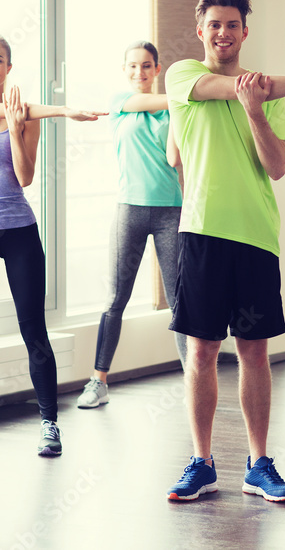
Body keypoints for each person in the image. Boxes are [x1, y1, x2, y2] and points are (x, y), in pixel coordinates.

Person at [164, 0, 285, 502]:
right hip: (202, 232)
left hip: (256, 237)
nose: (223, 33)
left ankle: (258, 463)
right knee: (202, 350)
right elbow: (232, 92)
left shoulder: (269, 99)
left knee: (254, 351)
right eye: (215, 25)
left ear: (245, 32)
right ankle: (201, 462)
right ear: (201, 30)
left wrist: (255, 111)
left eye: (233, 25)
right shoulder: (182, 76)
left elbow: (275, 166)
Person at [0, 34, 104, 456]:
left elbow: (25, 177)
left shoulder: (29, 118)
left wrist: (16, 126)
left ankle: (49, 425)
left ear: (10, 67)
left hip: (19, 232)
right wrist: (62, 109)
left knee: (34, 330)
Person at [76, 41, 188, 409]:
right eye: (133, 66)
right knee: (116, 298)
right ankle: (98, 381)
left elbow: (174, 158)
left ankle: (194, 381)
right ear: (125, 71)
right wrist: (181, 99)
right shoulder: (120, 102)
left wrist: (179, 114)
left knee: (179, 302)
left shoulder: (172, 112)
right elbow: (161, 101)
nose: (139, 73)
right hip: (130, 211)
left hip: (171, 210)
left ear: (158, 69)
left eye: (146, 66)